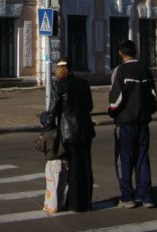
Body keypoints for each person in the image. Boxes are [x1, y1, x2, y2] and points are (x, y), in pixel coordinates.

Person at [108, 39, 157, 209]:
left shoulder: (120, 71)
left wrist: (113, 112)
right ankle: (146, 197)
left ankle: (127, 197)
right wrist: (146, 113)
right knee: (143, 160)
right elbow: (153, 97)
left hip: (125, 123)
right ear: (135, 52)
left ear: (121, 53)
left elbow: (115, 99)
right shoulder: (145, 70)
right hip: (143, 122)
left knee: (124, 160)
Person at [48, 58, 95, 212]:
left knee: (72, 168)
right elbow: (89, 106)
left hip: (68, 132)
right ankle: (86, 203)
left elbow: (53, 109)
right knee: (86, 166)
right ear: (72, 68)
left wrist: (46, 123)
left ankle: (73, 203)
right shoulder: (83, 83)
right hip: (86, 130)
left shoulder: (58, 85)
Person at [35, 110, 67, 214]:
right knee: (61, 186)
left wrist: (38, 139)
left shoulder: (46, 135)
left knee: (51, 186)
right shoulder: (58, 130)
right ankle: (60, 204)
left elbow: (39, 146)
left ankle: (52, 206)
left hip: (53, 163)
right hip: (64, 161)